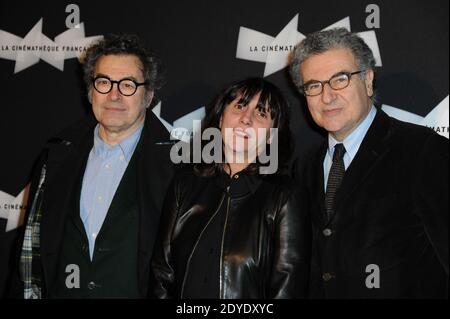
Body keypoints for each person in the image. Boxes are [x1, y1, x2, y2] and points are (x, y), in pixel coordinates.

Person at [10, 34, 175, 298]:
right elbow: (30, 258)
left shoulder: (178, 167)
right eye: (103, 82)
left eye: (128, 85)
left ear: (149, 95)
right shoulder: (56, 157)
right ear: (90, 91)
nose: (114, 95)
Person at [289, 28, 449, 298]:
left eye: (339, 79)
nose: (327, 97)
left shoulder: (423, 150)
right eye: (314, 85)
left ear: (368, 80)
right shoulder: (304, 167)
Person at [151, 78, 310, 299]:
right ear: (220, 117)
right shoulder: (184, 184)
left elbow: (287, 290)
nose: (246, 119)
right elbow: (161, 276)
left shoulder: (284, 196)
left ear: (271, 136)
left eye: (261, 113)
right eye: (240, 105)